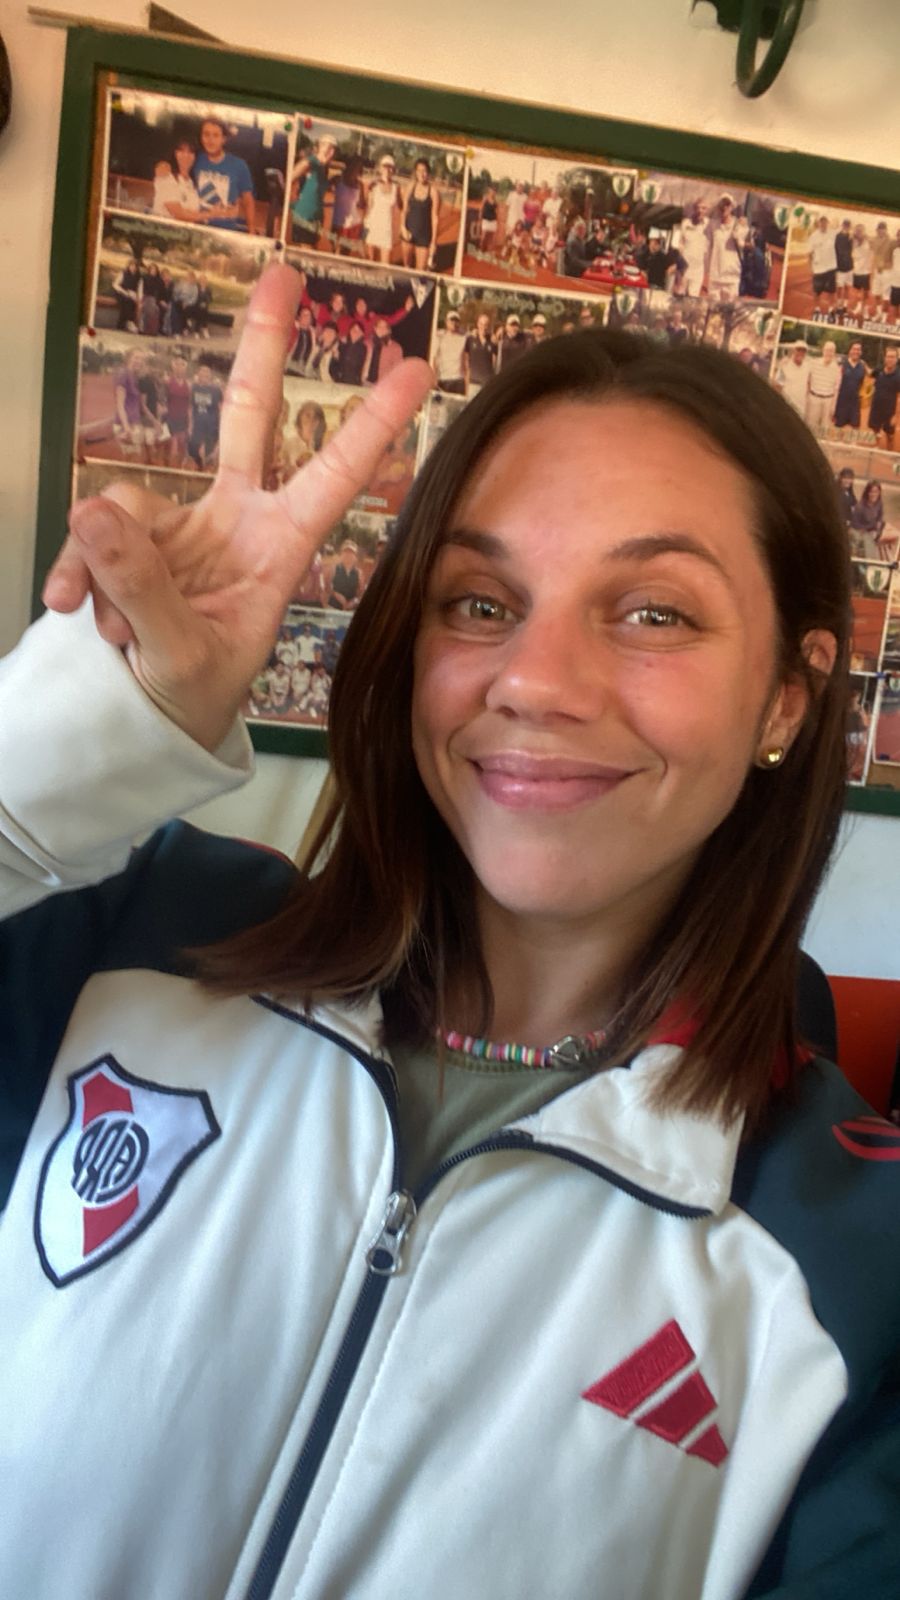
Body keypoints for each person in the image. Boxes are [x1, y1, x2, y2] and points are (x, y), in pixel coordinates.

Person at [4, 262, 899, 1600]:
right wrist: (79, 737)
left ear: (786, 697)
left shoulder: (853, 1263)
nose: (536, 681)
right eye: (480, 604)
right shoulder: (116, 940)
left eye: (654, 612)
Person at [193, 116, 256, 234]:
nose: (210, 140)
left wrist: (251, 231)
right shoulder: (195, 159)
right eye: (206, 134)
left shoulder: (239, 165)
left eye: (216, 135)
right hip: (197, 229)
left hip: (225, 232)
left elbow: (248, 201)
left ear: (224, 139)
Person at [290, 135, 337, 247]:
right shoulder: (311, 162)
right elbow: (291, 177)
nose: (331, 152)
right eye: (328, 148)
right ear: (320, 147)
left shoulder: (323, 167)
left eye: (333, 149)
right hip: (304, 216)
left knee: (310, 251)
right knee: (307, 253)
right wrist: (292, 200)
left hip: (316, 218)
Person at [401, 158, 440, 272]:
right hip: (408, 233)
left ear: (428, 173)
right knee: (406, 268)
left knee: (420, 272)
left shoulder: (433, 192)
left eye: (425, 171)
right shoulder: (410, 187)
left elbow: (435, 218)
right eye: (419, 171)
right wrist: (403, 227)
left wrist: (433, 242)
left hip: (424, 237)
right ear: (415, 172)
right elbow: (404, 210)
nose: (422, 174)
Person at [364, 154, 401, 264]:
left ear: (393, 170)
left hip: (386, 230)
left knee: (385, 265)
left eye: (390, 167)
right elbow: (369, 207)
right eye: (385, 166)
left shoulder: (396, 188)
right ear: (380, 168)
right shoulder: (373, 185)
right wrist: (365, 225)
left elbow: (401, 206)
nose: (388, 169)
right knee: (370, 262)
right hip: (372, 227)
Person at [152, 141, 201, 220]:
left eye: (190, 152)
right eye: (181, 151)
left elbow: (193, 213)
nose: (186, 155)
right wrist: (210, 215)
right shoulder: (166, 176)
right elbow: (179, 214)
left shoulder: (192, 182)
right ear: (175, 153)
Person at [804, 339, 840, 433]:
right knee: (811, 428)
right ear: (823, 351)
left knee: (824, 429)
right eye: (827, 350)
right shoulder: (813, 363)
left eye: (831, 351)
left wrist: (833, 406)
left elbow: (836, 388)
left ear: (834, 353)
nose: (829, 353)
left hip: (828, 400)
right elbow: (806, 379)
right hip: (814, 398)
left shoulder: (837, 368)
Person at [867, 344, 900, 447]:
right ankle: (877, 445)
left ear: (897, 359)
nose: (890, 359)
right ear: (885, 358)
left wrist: (896, 416)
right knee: (875, 428)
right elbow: (869, 374)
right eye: (888, 356)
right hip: (876, 408)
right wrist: (862, 364)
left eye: (893, 357)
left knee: (890, 434)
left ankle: (889, 451)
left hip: (890, 411)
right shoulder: (879, 370)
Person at [833, 339, 868, 434]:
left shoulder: (863, 366)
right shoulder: (842, 365)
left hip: (855, 403)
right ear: (850, 350)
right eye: (854, 349)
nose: (856, 351)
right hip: (841, 402)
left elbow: (865, 385)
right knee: (838, 430)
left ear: (861, 352)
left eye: (858, 349)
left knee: (854, 430)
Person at [808, 214, 838, 318]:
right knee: (816, 292)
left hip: (831, 268)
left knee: (831, 291)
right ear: (818, 223)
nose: (823, 223)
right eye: (821, 221)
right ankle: (817, 309)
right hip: (818, 269)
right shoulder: (813, 236)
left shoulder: (834, 234)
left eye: (825, 221)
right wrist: (810, 268)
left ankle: (831, 310)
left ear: (828, 223)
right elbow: (809, 254)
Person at [433, 307, 467, 394]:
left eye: (456, 321)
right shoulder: (439, 337)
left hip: (458, 379)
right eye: (451, 320)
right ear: (446, 322)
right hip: (443, 379)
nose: (454, 323)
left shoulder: (464, 338)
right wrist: (434, 377)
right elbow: (435, 358)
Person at [774, 339, 809, 417]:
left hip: (801, 408)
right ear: (793, 351)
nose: (801, 353)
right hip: (786, 406)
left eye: (803, 351)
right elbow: (777, 386)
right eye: (798, 350)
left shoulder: (808, 366)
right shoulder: (784, 365)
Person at [462, 310, 496, 393]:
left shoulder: (492, 341)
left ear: (489, 326)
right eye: (481, 324)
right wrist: (467, 380)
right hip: (473, 382)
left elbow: (494, 362)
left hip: (487, 383)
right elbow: (466, 360)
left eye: (486, 325)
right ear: (477, 324)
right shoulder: (470, 339)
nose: (483, 327)